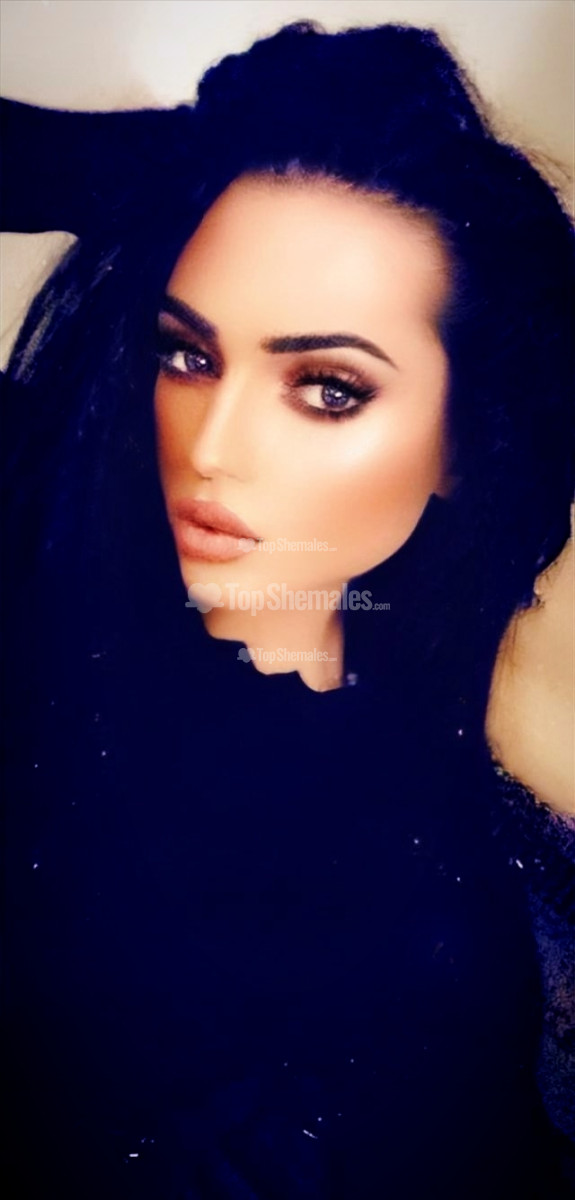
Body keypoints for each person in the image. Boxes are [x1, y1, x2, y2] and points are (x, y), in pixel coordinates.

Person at [1, 19, 574, 1199]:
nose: (210, 446)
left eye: (326, 388)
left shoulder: (469, 703)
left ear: (463, 439)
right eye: (185, 355)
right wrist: (185, 159)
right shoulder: (44, 610)